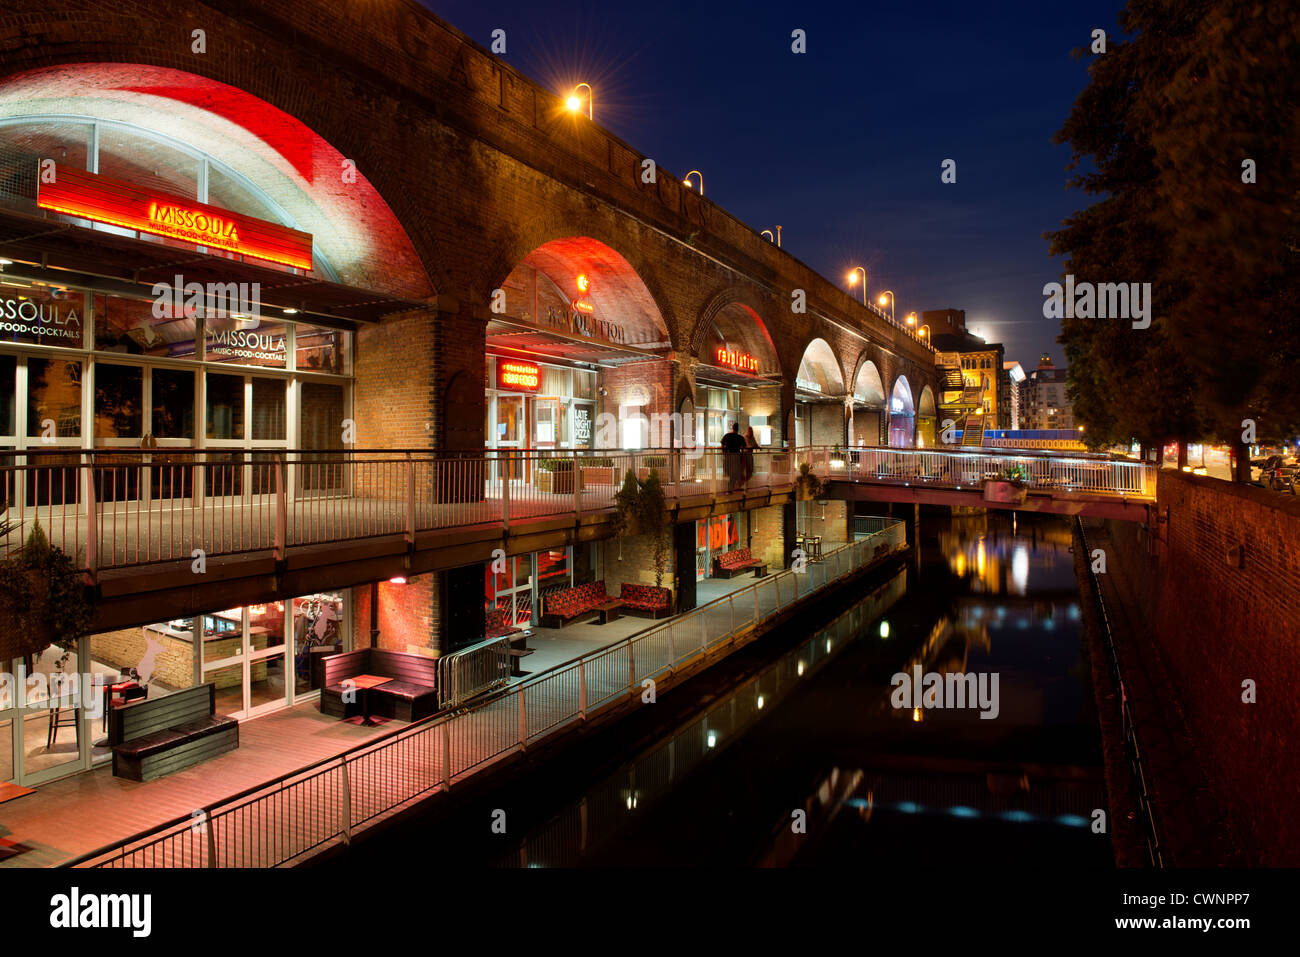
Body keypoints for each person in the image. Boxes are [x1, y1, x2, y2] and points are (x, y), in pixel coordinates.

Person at [721, 422, 746, 489]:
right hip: (737, 456)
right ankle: (736, 485)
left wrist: (724, 452)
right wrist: (742, 455)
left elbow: (722, 444)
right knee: (735, 471)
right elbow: (744, 447)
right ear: (738, 429)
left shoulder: (727, 435)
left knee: (731, 472)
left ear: (733, 428)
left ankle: (732, 486)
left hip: (728, 455)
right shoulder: (740, 437)